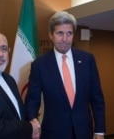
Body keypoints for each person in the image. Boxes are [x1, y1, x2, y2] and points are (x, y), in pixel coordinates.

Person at [25, 11, 106, 139]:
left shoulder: (87, 60)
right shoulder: (39, 65)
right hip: (53, 133)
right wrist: (32, 122)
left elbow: (97, 98)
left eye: (69, 33)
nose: (65, 39)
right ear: (51, 35)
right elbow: (32, 100)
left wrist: (100, 130)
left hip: (84, 132)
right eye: (60, 33)